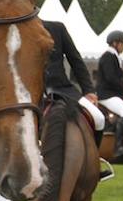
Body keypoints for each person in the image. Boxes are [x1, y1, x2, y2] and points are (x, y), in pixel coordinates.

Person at [42, 21, 107, 151]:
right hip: (31, 92)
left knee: (98, 118)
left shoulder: (57, 29)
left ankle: (95, 161)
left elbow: (75, 60)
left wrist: (88, 90)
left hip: (63, 89)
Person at [96, 30, 123, 157]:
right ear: (115, 43)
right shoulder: (108, 57)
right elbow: (111, 78)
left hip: (112, 93)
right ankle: (118, 147)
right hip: (106, 95)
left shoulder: (114, 57)